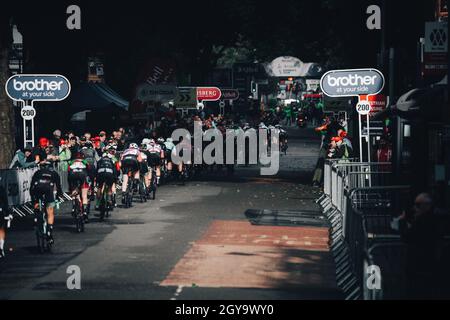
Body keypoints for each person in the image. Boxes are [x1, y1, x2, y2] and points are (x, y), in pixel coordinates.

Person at [398, 193, 446, 299]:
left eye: (418, 205)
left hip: (418, 264)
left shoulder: (423, 221)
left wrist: (401, 221)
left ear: (427, 205)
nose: (415, 208)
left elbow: (406, 237)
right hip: (428, 262)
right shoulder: (434, 219)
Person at [30, 161, 64, 245]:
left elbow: (31, 187)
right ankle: (49, 231)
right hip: (48, 189)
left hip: (37, 188)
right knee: (50, 212)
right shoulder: (54, 173)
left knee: (36, 203)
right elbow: (58, 187)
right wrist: (59, 196)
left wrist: (33, 201)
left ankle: (36, 217)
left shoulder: (37, 172)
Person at [68, 152, 91, 222]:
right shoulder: (85, 161)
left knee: (74, 191)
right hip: (82, 174)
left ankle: (74, 205)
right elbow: (89, 170)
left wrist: (70, 187)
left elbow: (68, 173)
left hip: (73, 174)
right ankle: (84, 212)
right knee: (84, 196)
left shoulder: (71, 162)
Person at [0, 178, 9, 258]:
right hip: (0, 210)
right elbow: (5, 202)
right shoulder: (1, 189)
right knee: (1, 228)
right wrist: (8, 213)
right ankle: (1, 247)